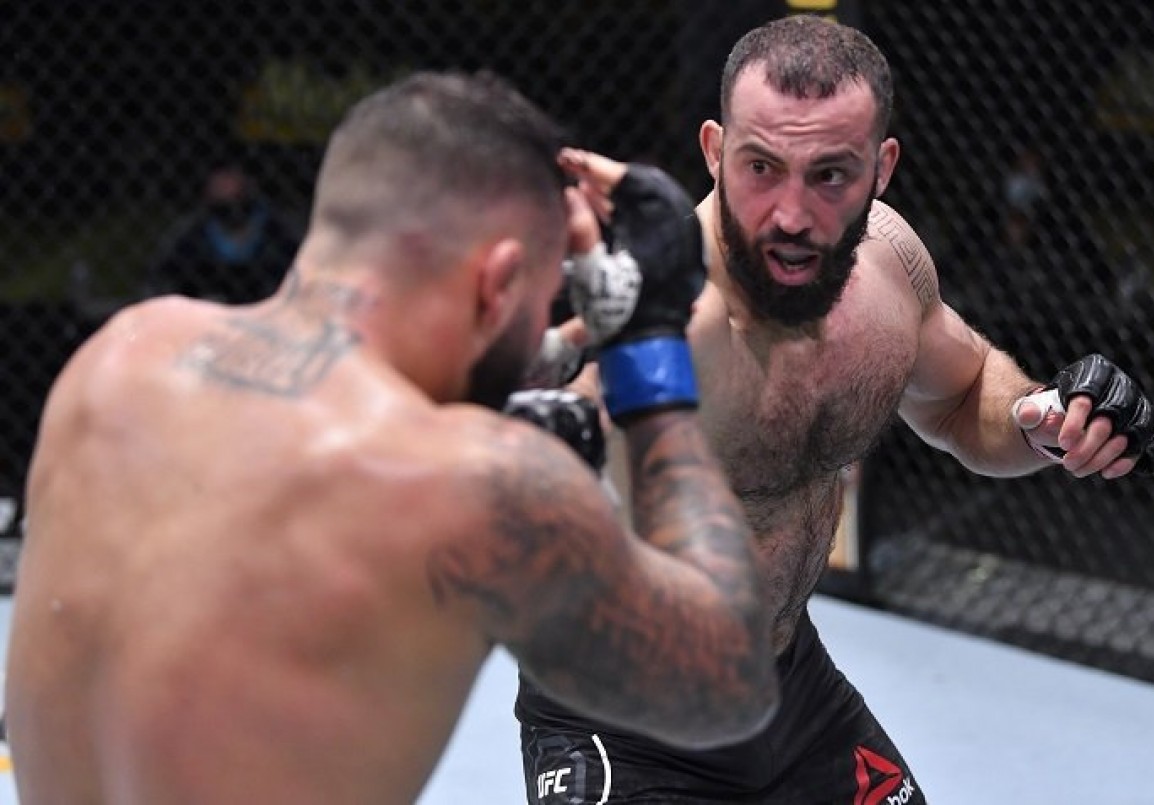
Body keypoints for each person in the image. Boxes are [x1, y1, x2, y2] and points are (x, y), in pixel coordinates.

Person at [3, 70, 780, 805]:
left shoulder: (119, 359)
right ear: (497, 284)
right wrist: (647, 350)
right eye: (540, 301)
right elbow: (730, 678)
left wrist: (561, 345)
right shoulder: (472, 486)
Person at [516, 15, 1154, 804]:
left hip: (790, 693)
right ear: (715, 151)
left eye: (830, 175)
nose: (792, 213)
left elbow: (963, 396)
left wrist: (1044, 416)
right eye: (762, 168)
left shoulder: (888, 268)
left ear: (880, 168)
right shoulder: (670, 312)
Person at [144, 160, 302, 304]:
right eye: (219, 179)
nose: (225, 186)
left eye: (230, 176)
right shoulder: (191, 231)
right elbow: (160, 276)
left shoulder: (279, 228)